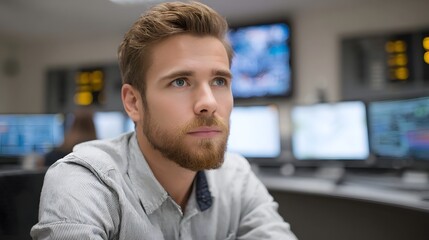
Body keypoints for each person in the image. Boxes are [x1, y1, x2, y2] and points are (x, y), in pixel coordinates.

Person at [31, 1, 297, 239]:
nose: (209, 103)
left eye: (219, 81)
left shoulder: (235, 177)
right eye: (180, 81)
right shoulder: (86, 182)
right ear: (133, 102)